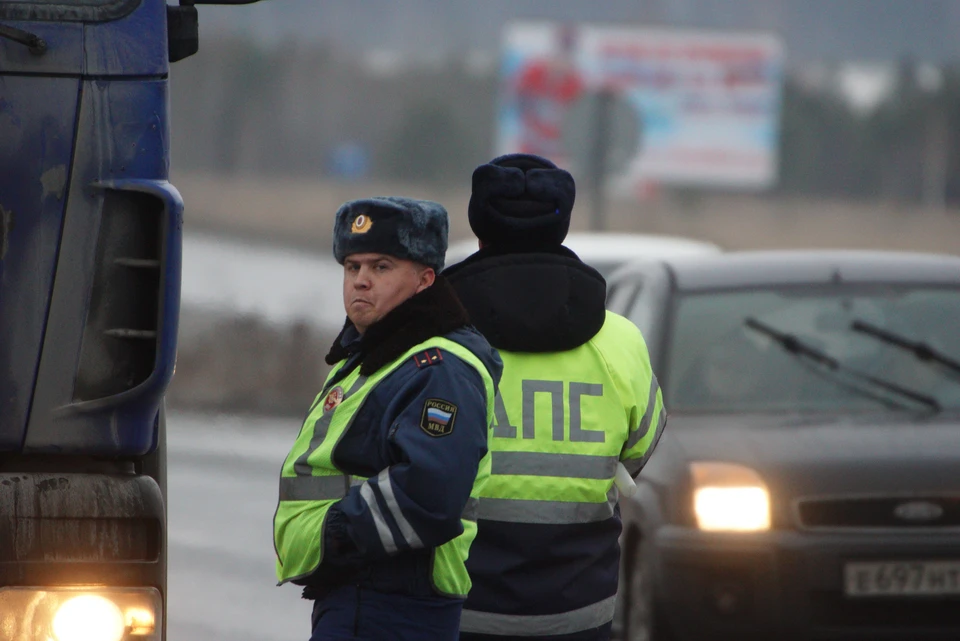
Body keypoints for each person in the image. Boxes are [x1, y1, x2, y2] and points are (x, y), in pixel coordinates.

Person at [443, 154, 666, 641]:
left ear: (479, 227)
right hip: (579, 614)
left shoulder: (438, 339)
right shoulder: (620, 342)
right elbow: (640, 452)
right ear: (561, 226)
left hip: (459, 610)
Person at [273, 196, 502, 640]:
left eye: (381, 267)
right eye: (352, 267)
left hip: (393, 604)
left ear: (425, 279)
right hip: (354, 594)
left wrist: (335, 535)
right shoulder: (376, 356)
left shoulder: (439, 368)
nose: (361, 282)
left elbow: (429, 492)